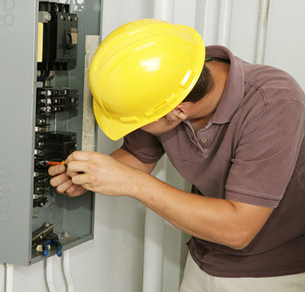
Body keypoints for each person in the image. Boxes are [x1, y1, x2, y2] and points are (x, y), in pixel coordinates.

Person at [48, 19, 305, 291]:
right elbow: (137, 158)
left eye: (138, 121)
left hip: (271, 275)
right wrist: (88, 175)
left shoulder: (274, 104)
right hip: (204, 259)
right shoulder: (166, 79)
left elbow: (238, 229)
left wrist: (133, 183)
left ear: (178, 111)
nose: (135, 128)